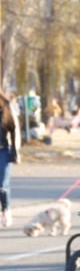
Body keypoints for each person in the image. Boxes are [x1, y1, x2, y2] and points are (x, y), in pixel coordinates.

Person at [0, 91, 21, 227]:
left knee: (2, 185)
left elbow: (14, 129)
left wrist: (15, 151)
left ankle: (6, 210)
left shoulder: (5, 106)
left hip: (3, 150)